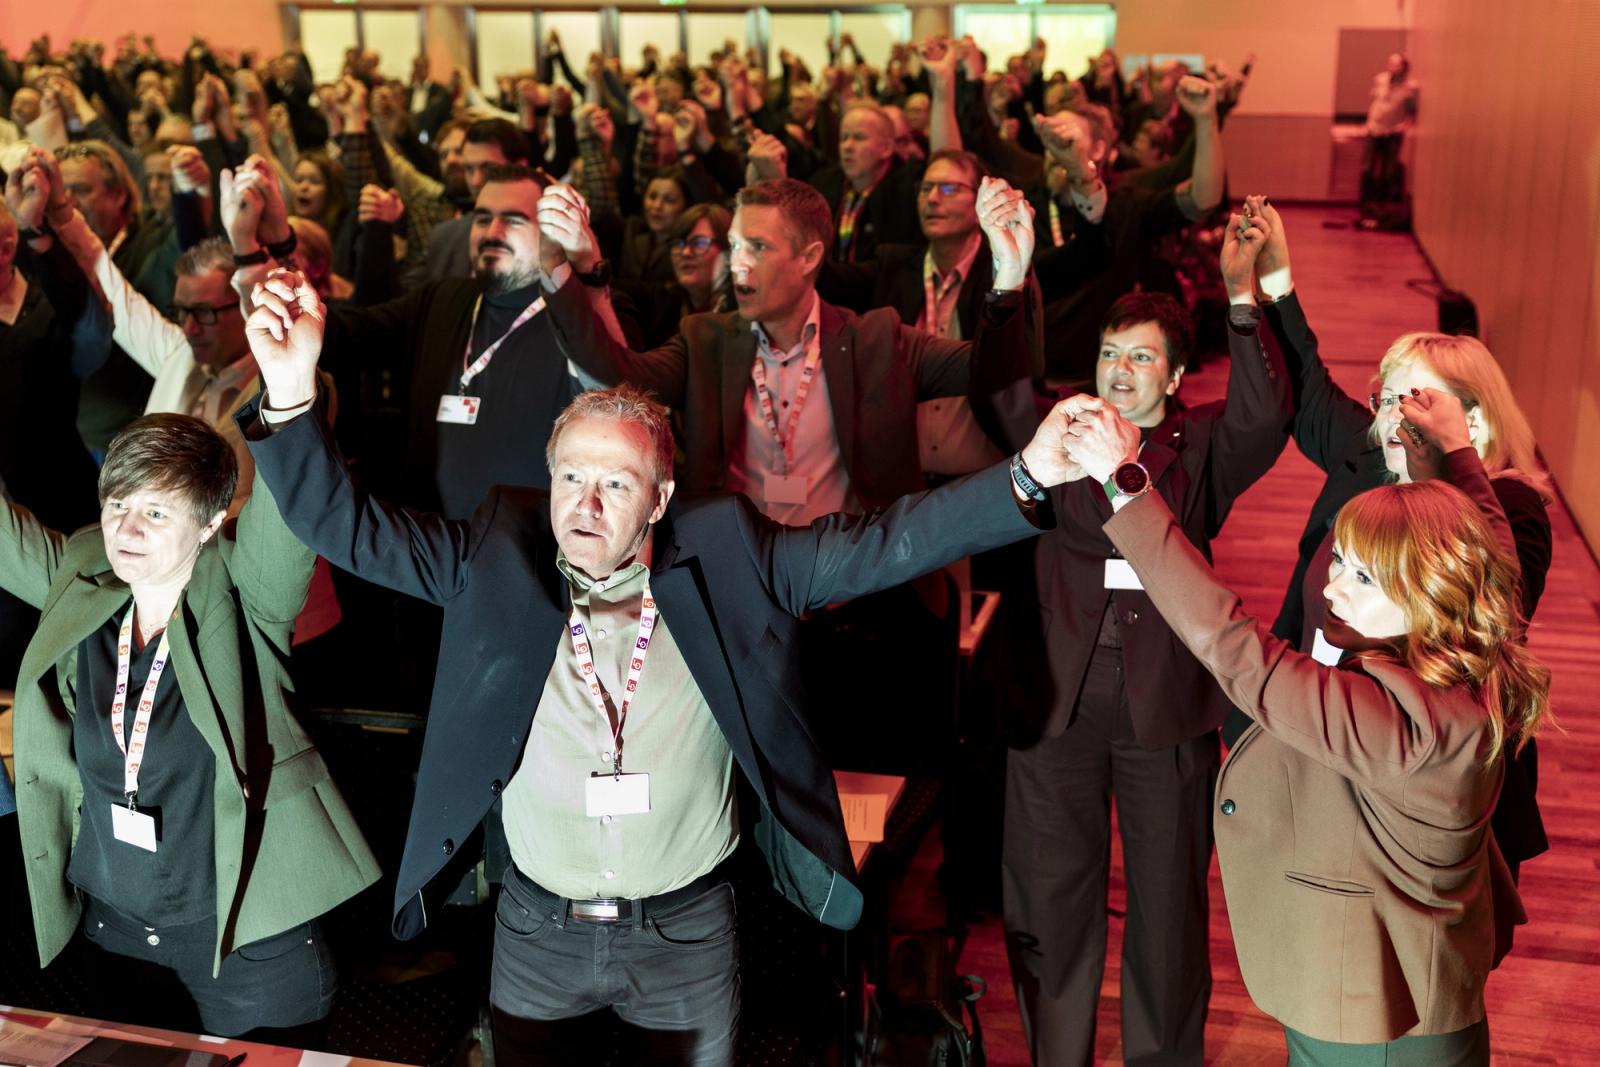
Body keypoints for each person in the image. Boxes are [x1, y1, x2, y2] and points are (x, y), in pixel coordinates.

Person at [238, 265, 1080, 1066]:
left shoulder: (732, 557)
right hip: (536, 930)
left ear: (660, 498)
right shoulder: (490, 558)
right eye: (570, 476)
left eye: (615, 483)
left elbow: (889, 542)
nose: (584, 503)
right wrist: (290, 392)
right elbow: (345, 526)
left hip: (686, 934)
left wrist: (1029, 474)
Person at [1091, 417, 1546, 1064]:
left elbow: (1236, 650)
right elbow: (1497, 558)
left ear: (1432, 591)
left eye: (1364, 578)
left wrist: (1128, 487)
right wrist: (1456, 455)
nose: (1332, 587)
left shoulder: (1400, 725)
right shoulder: (1475, 649)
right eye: (1338, 560)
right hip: (1405, 987)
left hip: (1374, 1023)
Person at [970, 208, 1289, 1067]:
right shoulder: (1060, 433)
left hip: (1166, 706)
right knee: (1049, 894)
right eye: (1111, 353)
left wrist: (1243, 297)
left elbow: (1266, 414)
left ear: (1176, 374)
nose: (1120, 370)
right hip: (1057, 701)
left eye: (1142, 357)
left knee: (1168, 905)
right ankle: (1058, 1054)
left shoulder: (1202, 444)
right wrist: (1008, 281)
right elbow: (995, 392)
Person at [2, 412, 381, 1038]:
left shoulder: (248, 596)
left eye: (156, 512)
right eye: (118, 503)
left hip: (244, 946)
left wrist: (289, 402)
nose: (127, 528)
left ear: (209, 524)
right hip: (117, 936)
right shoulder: (83, 578)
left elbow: (287, 512)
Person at [1224, 198, 1552, 883]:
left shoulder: (1512, 505)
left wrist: (1454, 460)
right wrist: (1273, 277)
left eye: (1416, 401)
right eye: (1387, 397)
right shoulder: (1373, 459)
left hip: (1428, 797)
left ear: (1471, 423)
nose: (1392, 418)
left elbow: (1497, 590)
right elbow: (1309, 386)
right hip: (1324, 751)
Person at [1362, 53, 1418, 209]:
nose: (1392, 67)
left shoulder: (1410, 87)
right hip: (1374, 129)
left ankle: (1384, 205)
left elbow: (1412, 112)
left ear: (1404, 68)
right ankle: (1366, 204)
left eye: (1396, 65)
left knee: (1388, 171)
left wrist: (1404, 126)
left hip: (1392, 132)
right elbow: (1375, 100)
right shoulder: (1380, 79)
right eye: (1390, 63)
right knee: (1367, 168)